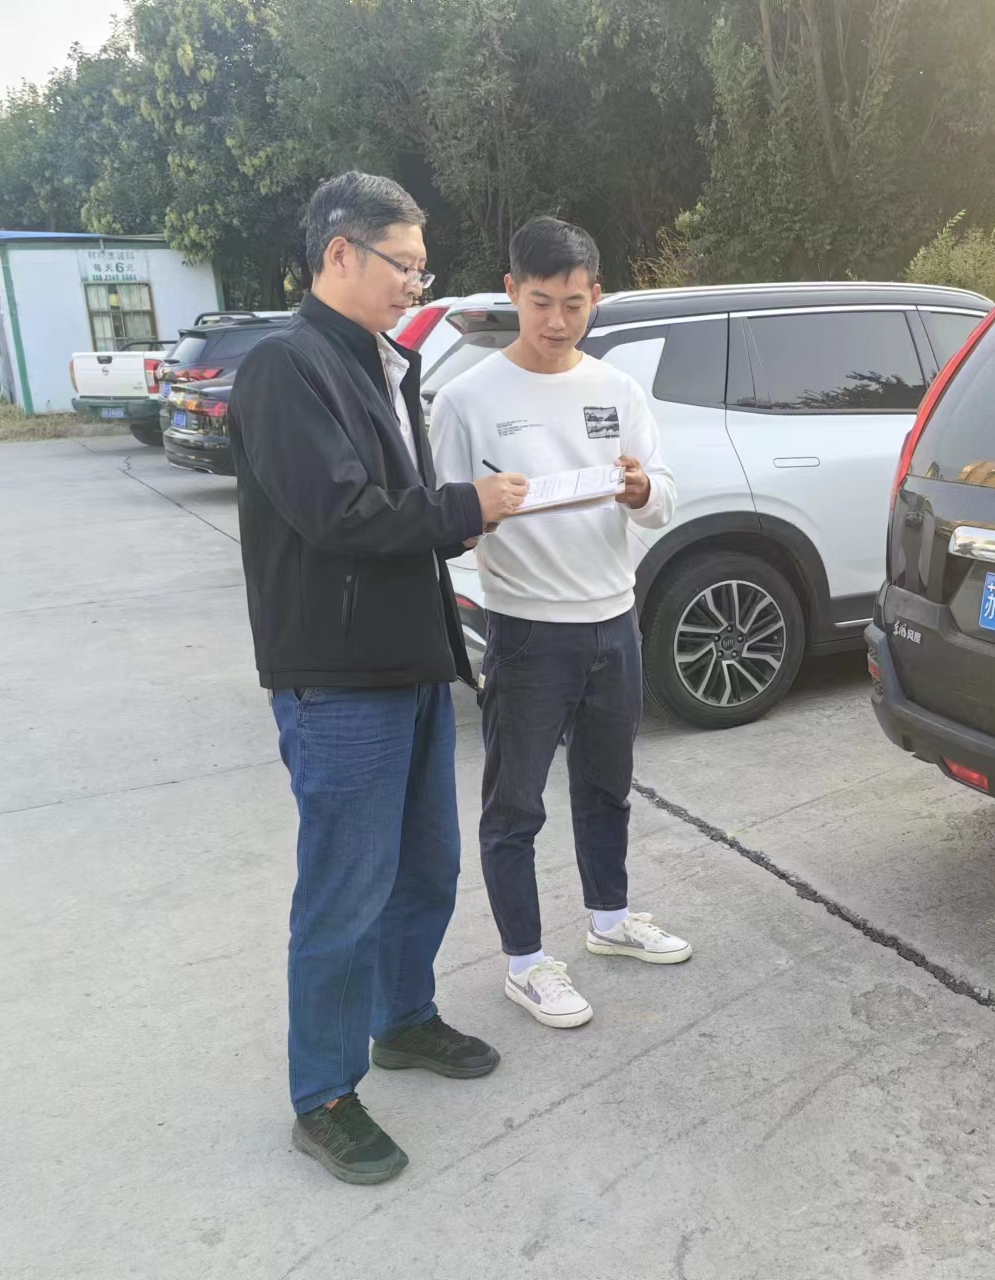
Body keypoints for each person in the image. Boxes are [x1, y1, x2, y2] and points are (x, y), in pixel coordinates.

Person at [229, 171, 530, 1185]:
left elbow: (393, 504)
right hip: (337, 675)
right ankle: (322, 1095)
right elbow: (340, 513)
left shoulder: (380, 362)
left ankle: (403, 1018)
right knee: (344, 891)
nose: (413, 283)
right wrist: (467, 506)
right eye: (402, 264)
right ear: (338, 253)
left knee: (425, 868)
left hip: (410, 662)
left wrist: (453, 523)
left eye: (420, 268)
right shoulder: (285, 367)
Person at [430, 217, 686, 1032]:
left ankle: (610, 920)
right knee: (515, 806)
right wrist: (479, 514)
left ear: (595, 298)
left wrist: (642, 491)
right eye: (540, 302)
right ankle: (526, 963)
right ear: (512, 291)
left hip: (614, 621)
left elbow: (662, 498)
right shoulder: (467, 400)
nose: (556, 321)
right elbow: (443, 525)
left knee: (607, 787)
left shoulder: (618, 390)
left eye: (574, 304)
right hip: (528, 631)